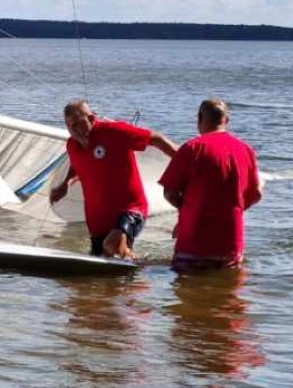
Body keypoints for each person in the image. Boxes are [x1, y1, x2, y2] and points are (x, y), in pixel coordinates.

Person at [50, 100, 178, 259]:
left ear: (91, 118)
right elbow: (78, 165)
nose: (76, 130)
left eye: (79, 123)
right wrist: (65, 184)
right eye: (70, 126)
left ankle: (140, 268)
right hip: (98, 224)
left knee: (112, 246)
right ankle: (139, 270)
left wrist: (184, 162)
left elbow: (156, 139)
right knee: (102, 273)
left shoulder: (113, 131)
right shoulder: (72, 146)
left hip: (131, 209)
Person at [158, 99, 262, 272]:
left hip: (193, 241)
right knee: (230, 295)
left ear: (199, 119)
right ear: (226, 121)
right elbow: (256, 194)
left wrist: (186, 211)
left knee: (187, 293)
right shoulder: (246, 150)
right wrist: (233, 209)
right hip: (231, 242)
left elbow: (169, 192)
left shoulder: (192, 148)